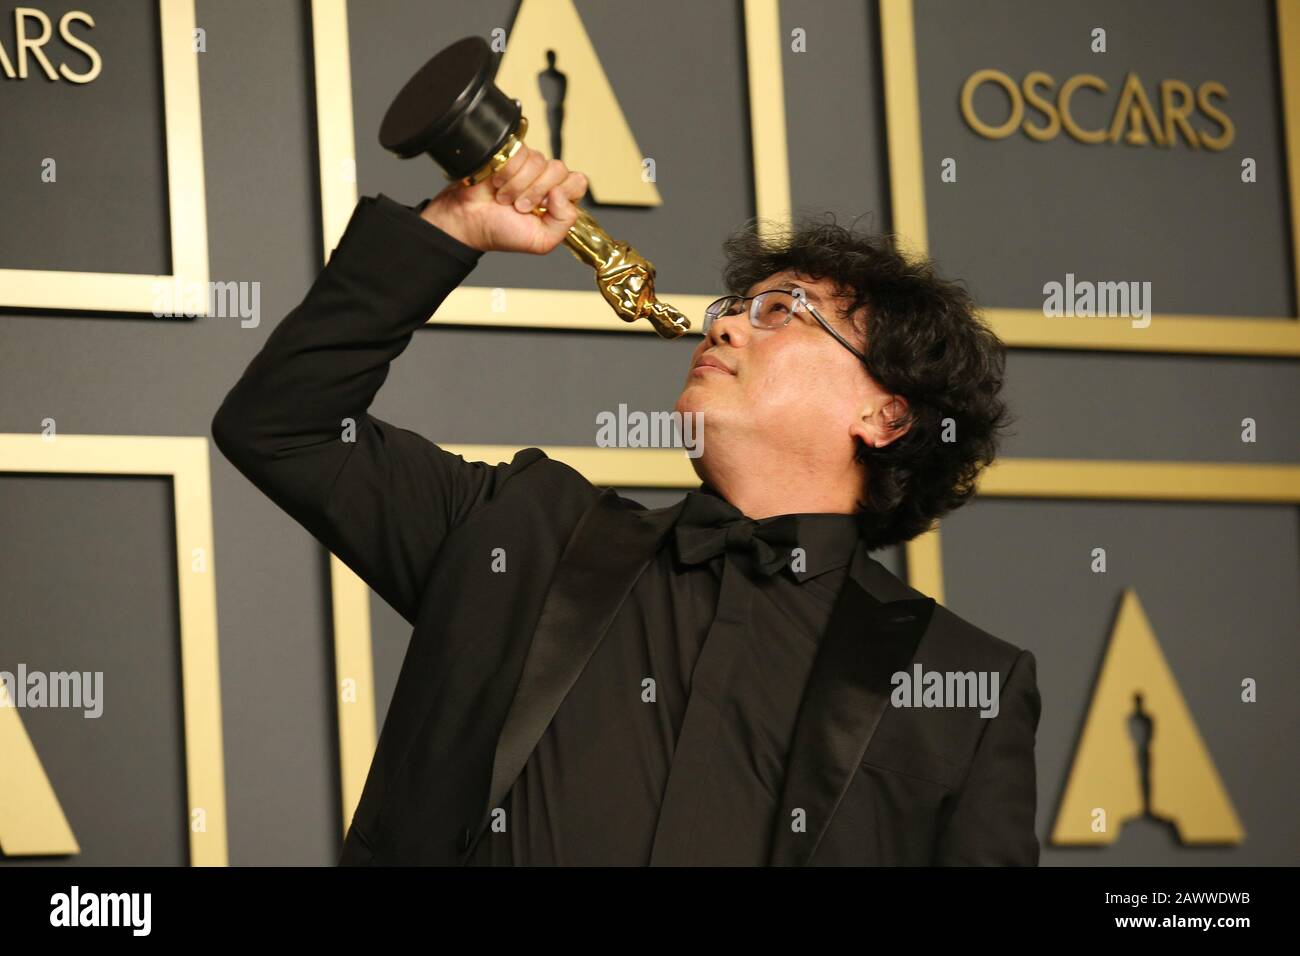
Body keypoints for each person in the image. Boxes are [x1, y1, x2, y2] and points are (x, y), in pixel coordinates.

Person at [211, 145, 1041, 866]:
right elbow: (284, 425)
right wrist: (453, 225)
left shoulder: (966, 682)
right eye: (729, 310)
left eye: (780, 314)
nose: (724, 329)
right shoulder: (521, 531)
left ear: (885, 414)